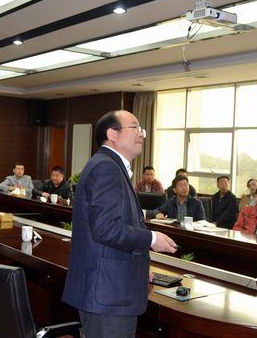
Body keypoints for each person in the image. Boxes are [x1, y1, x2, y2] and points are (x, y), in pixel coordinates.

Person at [62, 110, 177, 337]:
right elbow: (105, 228)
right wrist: (151, 238)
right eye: (134, 128)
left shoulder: (108, 165)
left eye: (142, 129)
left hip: (108, 289)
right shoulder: (107, 167)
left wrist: (139, 267)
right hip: (107, 294)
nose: (141, 134)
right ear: (112, 134)